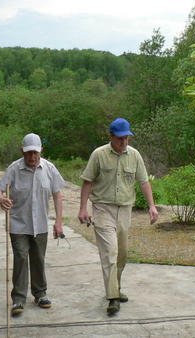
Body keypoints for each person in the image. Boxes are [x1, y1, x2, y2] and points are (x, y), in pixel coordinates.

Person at [78, 117, 159, 316]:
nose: (124, 142)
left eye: (127, 138)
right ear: (111, 137)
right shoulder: (99, 154)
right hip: (103, 209)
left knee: (122, 254)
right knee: (110, 252)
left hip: (125, 210)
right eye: (120, 138)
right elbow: (87, 182)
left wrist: (151, 206)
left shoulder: (134, 155)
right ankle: (112, 297)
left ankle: (117, 287)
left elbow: (143, 182)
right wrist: (82, 209)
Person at [0, 132, 65, 316]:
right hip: (18, 224)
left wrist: (58, 221)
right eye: (28, 153)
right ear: (22, 151)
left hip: (40, 225)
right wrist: (1, 199)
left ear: (41, 151)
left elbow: (58, 194)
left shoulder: (49, 169)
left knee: (38, 259)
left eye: (35, 153)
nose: (32, 157)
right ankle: (18, 299)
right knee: (21, 258)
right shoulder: (14, 169)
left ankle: (40, 294)